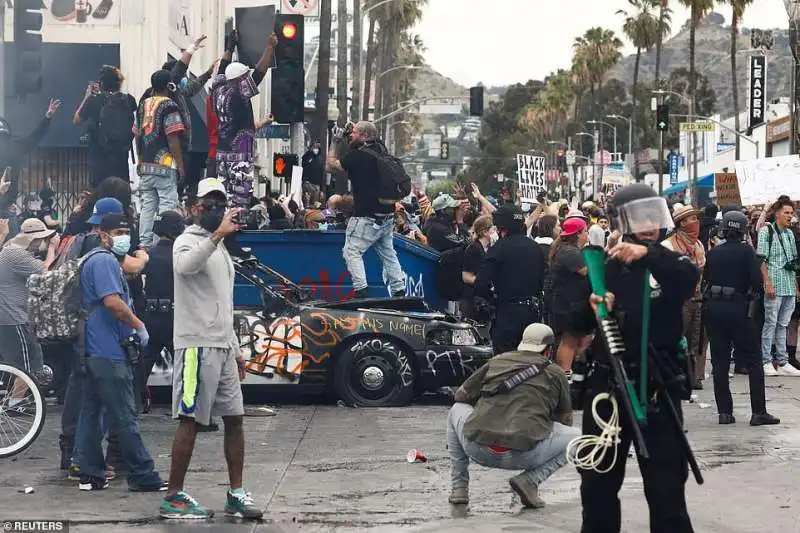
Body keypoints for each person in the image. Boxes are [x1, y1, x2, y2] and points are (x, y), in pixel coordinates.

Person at [579, 183, 699, 533]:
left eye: (653, 215)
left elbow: (688, 278)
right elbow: (573, 323)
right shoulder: (604, 268)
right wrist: (594, 309)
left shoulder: (668, 262)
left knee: (667, 492)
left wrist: (648, 255)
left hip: (658, 389)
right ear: (621, 221)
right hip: (609, 389)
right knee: (598, 487)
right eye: (639, 217)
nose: (647, 224)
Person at [161, 178, 261, 520]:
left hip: (221, 346)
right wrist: (217, 234)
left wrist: (234, 348)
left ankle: (236, 492)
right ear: (195, 208)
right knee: (189, 420)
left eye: (221, 204)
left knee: (235, 419)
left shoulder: (220, 248)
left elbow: (224, 303)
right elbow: (185, 268)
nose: (217, 210)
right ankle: (173, 495)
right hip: (196, 348)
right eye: (210, 204)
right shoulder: (186, 241)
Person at [75, 213, 166, 492]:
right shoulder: (103, 261)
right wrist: (139, 325)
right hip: (108, 351)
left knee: (91, 412)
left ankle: (90, 474)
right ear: (104, 234)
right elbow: (113, 303)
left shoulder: (98, 260)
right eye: (118, 231)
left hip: (94, 349)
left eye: (127, 230)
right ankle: (142, 474)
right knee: (125, 414)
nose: (123, 236)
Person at [446, 323, 579, 507]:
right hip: (525, 453)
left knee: (456, 409)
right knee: (578, 438)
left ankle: (459, 488)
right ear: (549, 350)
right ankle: (530, 481)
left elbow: (460, 396)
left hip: (479, 449)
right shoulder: (556, 373)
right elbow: (566, 420)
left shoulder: (497, 361)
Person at [703, 210, 779, 426]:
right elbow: (756, 282)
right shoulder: (746, 252)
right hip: (739, 309)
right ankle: (758, 412)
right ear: (744, 229)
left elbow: (705, 280)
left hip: (715, 310)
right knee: (754, 360)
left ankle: (724, 413)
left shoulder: (714, 252)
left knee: (720, 362)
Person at [326, 121, 406, 299]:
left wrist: (336, 141)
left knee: (351, 251)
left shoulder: (357, 157)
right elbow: (369, 135)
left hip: (366, 217)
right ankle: (399, 290)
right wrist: (356, 131)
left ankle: (361, 290)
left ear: (363, 136)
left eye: (353, 133)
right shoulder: (382, 151)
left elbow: (331, 165)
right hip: (386, 215)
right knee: (388, 253)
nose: (350, 136)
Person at [211, 31, 277, 208]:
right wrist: (270, 47)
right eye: (245, 77)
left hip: (223, 154)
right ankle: (234, 229)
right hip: (239, 157)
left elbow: (223, 66)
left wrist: (230, 46)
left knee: (222, 197)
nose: (247, 78)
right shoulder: (238, 94)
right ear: (240, 79)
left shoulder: (217, 89)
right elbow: (259, 74)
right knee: (240, 199)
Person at [475, 205, 546, 355]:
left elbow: (480, 283)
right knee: (531, 360)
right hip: (533, 312)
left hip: (508, 313)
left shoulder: (499, 248)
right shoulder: (535, 247)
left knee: (506, 362)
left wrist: (492, 299)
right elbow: (543, 278)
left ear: (502, 228)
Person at [0, 219, 59, 387]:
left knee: (26, 362)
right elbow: (45, 272)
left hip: (12, 317)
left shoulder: (12, 249)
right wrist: (53, 249)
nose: (42, 244)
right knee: (26, 367)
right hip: (14, 318)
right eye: (42, 240)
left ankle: (18, 401)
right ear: (33, 239)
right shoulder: (16, 254)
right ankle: (17, 404)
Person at [137, 211, 184, 414]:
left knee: (143, 363)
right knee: (183, 366)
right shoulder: (181, 257)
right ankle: (186, 408)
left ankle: (135, 403)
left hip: (152, 316)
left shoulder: (148, 256)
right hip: (176, 317)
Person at [135, 70, 186, 248]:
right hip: (164, 164)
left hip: (146, 166)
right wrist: (180, 165)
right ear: (169, 86)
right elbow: (173, 137)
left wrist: (140, 159)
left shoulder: (143, 105)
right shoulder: (170, 105)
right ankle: (164, 244)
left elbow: (137, 135)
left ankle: (145, 245)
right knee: (167, 205)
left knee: (147, 207)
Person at [0, 99, 61, 238]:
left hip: (8, 207)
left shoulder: (15, 146)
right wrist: (48, 117)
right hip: (8, 207)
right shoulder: (15, 146)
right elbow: (34, 137)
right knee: (11, 249)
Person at [662, 203, 707, 390]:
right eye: (691, 219)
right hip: (677, 299)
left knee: (698, 339)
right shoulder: (668, 245)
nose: (695, 222)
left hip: (697, 297)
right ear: (681, 223)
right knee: (675, 336)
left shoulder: (698, 245)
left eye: (696, 219)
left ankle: (695, 376)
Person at [756, 198, 800, 377]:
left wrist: (796, 286)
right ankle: (766, 360)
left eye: (791, 213)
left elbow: (793, 261)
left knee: (784, 324)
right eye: (786, 212)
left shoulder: (790, 234)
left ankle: (782, 361)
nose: (790, 216)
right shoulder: (766, 231)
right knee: (770, 323)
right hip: (774, 282)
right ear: (777, 213)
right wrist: (767, 282)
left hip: (788, 284)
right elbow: (761, 259)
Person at [73, 66, 137, 188]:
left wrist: (87, 96)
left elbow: (77, 120)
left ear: (102, 83)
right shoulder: (129, 100)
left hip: (99, 158)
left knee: (99, 193)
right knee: (120, 192)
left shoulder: (95, 100)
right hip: (120, 157)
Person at [548, 218, 595, 375]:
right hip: (568, 305)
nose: (588, 234)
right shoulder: (569, 252)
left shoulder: (570, 250)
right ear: (578, 234)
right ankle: (565, 373)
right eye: (586, 231)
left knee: (582, 339)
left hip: (575, 304)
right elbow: (586, 271)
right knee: (569, 342)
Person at [460, 215, 496, 322]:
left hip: (483, 297)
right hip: (473, 299)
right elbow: (466, 277)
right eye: (493, 229)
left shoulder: (488, 248)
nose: (495, 232)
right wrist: (483, 281)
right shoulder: (474, 249)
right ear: (485, 232)